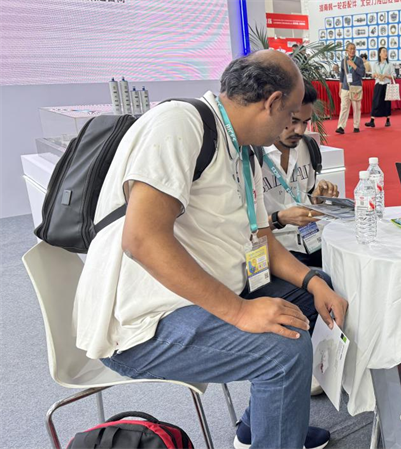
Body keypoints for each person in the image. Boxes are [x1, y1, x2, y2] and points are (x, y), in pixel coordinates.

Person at [72, 50, 348, 449]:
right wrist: (240, 312)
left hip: (204, 295)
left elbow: (261, 238)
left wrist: (312, 282)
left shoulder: (245, 150)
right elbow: (143, 239)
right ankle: (277, 426)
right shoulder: (180, 124)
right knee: (284, 353)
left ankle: (265, 424)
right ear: (272, 103)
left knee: (316, 293)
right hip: (144, 322)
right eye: (291, 115)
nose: (293, 127)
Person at [262, 79, 340, 269]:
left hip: (313, 241)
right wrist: (279, 219)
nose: (300, 130)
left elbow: (306, 195)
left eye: (305, 122)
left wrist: (318, 198)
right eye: (293, 121)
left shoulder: (307, 146)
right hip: (274, 251)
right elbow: (240, 230)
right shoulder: (251, 156)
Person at [336, 43, 366, 134]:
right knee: (344, 107)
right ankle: (341, 126)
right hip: (345, 87)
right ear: (347, 50)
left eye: (354, 49)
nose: (352, 50)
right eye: (350, 49)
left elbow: (363, 73)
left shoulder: (359, 60)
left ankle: (356, 126)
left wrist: (354, 65)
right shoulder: (343, 61)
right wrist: (340, 88)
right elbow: (342, 76)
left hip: (356, 87)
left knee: (356, 108)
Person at [365, 47, 394, 128]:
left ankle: (388, 120)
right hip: (378, 84)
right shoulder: (376, 64)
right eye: (384, 51)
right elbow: (372, 74)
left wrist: (385, 76)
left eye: (386, 51)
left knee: (387, 102)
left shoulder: (389, 64)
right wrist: (376, 75)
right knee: (375, 102)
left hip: (387, 84)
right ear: (380, 54)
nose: (386, 53)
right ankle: (372, 121)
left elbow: (394, 76)